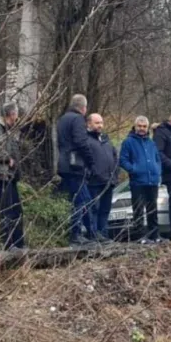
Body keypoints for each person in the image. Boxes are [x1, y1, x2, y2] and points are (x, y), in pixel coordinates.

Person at [0, 101, 25, 250]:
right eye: (16, 114)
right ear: (12, 114)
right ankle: (7, 243)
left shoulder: (10, 130)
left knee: (16, 209)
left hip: (10, 175)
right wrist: (8, 159)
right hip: (0, 174)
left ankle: (18, 242)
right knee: (6, 209)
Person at [56, 94, 95, 246]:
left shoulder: (63, 119)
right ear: (83, 108)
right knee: (81, 200)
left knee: (76, 199)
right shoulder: (78, 119)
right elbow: (81, 142)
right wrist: (90, 161)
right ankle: (77, 233)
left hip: (64, 163)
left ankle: (86, 233)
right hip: (75, 165)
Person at [120, 116, 163, 243]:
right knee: (138, 210)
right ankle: (140, 237)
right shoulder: (128, 142)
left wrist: (157, 171)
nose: (142, 129)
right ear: (135, 126)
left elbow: (157, 159)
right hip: (138, 181)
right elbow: (123, 160)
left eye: (144, 126)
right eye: (139, 126)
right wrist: (134, 169)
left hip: (152, 181)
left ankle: (154, 235)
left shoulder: (151, 143)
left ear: (147, 127)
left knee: (153, 209)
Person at [85, 113, 118, 243]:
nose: (100, 125)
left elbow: (115, 158)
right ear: (89, 124)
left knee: (105, 210)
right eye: (97, 123)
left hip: (108, 181)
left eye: (101, 123)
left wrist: (114, 175)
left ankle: (103, 235)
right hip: (94, 181)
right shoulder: (86, 140)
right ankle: (93, 235)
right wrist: (92, 173)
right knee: (94, 209)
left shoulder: (105, 140)